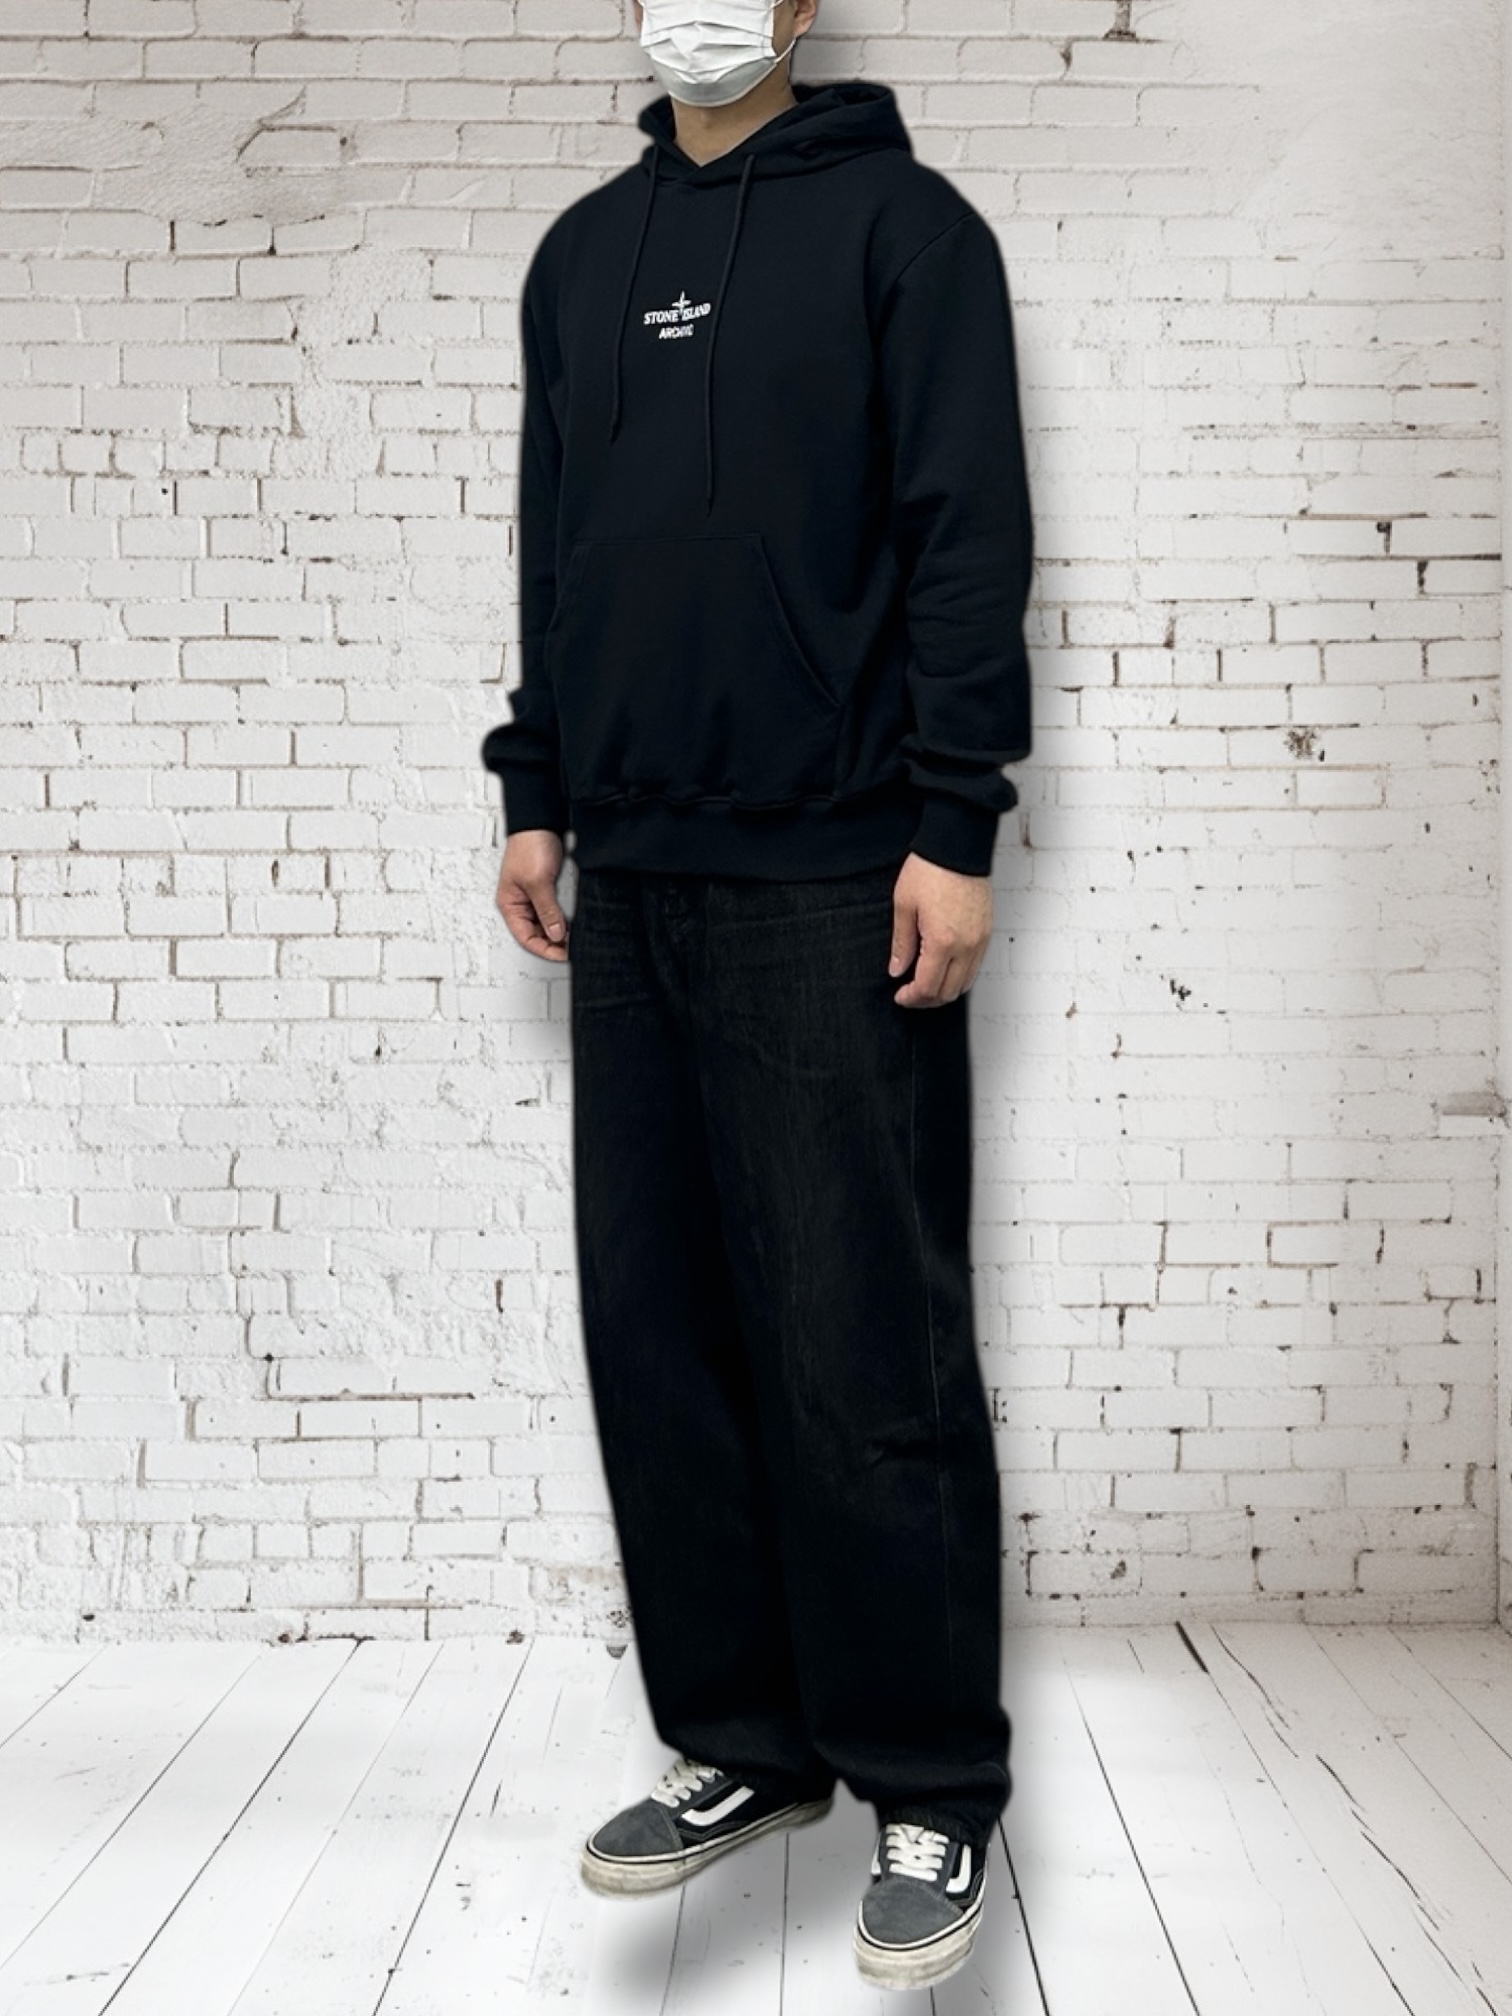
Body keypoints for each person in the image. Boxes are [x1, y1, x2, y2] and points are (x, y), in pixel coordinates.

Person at [482, 0, 1034, 1991]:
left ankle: (929, 1785)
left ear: (803, 2)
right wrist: (537, 790)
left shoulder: (910, 233)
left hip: (836, 867)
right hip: (631, 868)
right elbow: (555, 547)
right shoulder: (580, 254)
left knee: (859, 1341)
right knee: (664, 1336)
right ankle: (749, 1743)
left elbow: (966, 534)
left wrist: (956, 819)